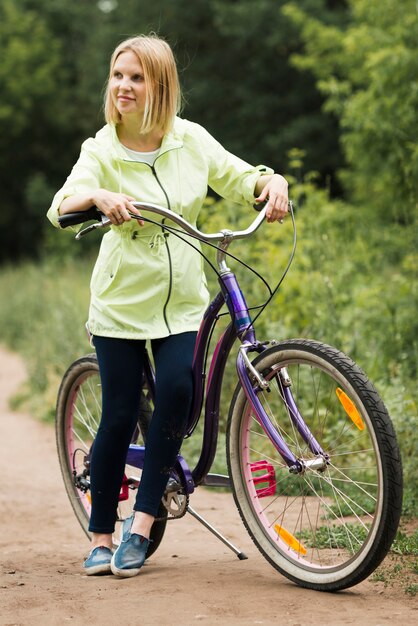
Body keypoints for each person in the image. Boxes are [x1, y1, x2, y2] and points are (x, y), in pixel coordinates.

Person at [47, 34, 289, 578]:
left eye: (136, 77)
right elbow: (62, 203)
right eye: (117, 76)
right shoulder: (101, 149)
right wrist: (99, 198)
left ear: (160, 86)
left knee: (179, 396)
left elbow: (239, 176)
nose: (123, 87)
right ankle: (103, 534)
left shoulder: (190, 141)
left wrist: (271, 182)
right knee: (119, 415)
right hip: (121, 302)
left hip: (182, 300)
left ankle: (143, 523)